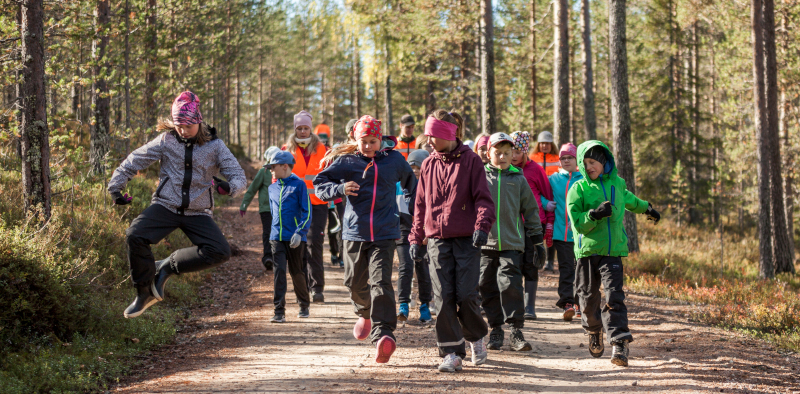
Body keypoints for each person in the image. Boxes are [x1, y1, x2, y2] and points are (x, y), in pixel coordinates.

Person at [108, 91, 246, 318]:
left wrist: (229, 188)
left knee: (220, 251)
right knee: (135, 234)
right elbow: (135, 159)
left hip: (198, 212)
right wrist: (116, 187)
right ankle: (144, 293)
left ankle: (168, 266)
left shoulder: (215, 146)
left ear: (198, 121)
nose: (182, 130)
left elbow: (239, 176)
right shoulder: (167, 140)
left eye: (187, 126)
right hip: (166, 206)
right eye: (178, 125)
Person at [314, 115, 416, 364]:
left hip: (385, 232)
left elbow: (412, 184)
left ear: (380, 140)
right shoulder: (346, 161)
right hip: (354, 232)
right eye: (364, 141)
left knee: (381, 282)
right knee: (353, 283)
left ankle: (384, 335)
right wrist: (339, 189)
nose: (369, 146)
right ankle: (364, 313)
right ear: (355, 140)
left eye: (373, 141)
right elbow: (320, 184)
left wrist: (410, 209)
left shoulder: (394, 160)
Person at [410, 109, 494, 373]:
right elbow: (420, 204)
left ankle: (477, 336)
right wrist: (416, 237)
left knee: (467, 295)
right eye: (428, 135)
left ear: (449, 133)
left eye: (433, 135)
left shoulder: (471, 162)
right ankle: (452, 352)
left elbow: (483, 198)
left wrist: (482, 226)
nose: (429, 141)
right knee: (443, 298)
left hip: (468, 240)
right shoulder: (428, 164)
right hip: (437, 240)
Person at [567, 140, 661, 367]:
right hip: (587, 252)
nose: (590, 167)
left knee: (614, 296)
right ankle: (594, 330)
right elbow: (577, 222)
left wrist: (647, 208)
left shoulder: (617, 184)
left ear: (604, 161)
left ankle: (619, 342)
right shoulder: (578, 189)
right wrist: (594, 215)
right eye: (585, 162)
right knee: (587, 298)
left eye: (594, 162)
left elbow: (631, 201)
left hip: (612, 252)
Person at [479, 133, 543, 352]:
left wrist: (538, 241)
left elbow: (531, 210)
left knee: (511, 285)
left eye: (508, 153)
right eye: (498, 153)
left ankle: (516, 331)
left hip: (512, 243)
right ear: (488, 154)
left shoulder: (519, 178)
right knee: (486, 286)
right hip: (484, 243)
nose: (503, 157)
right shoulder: (480, 177)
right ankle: (495, 329)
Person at [283, 110, 328, 303]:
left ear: (310, 128)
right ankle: (302, 288)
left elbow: (328, 173)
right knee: (298, 245)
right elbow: (278, 177)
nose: (302, 131)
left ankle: (317, 287)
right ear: (295, 129)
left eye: (305, 128)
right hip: (295, 205)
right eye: (299, 128)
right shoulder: (286, 149)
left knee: (314, 244)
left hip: (318, 204)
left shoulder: (322, 149)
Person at [509, 131, 554, 320]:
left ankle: (530, 306)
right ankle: (515, 305)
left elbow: (548, 196)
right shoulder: (504, 170)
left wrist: (549, 224)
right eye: (510, 150)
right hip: (510, 225)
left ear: (525, 151)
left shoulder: (535, 170)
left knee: (531, 263)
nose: (513, 155)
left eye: (517, 151)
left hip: (532, 225)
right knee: (513, 265)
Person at [266, 151, 312, 323]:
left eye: (273, 167)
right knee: (279, 272)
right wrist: (273, 232)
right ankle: (279, 311)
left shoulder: (299, 185)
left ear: (284, 166)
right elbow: (272, 212)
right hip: (276, 237)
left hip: (295, 238)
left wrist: (300, 233)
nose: (271, 170)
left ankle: (304, 304)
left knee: (296, 272)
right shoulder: (271, 188)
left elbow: (307, 212)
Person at [540, 143, 583, 321]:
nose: (566, 161)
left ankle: (580, 302)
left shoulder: (584, 179)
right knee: (566, 268)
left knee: (581, 270)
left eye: (569, 158)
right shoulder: (553, 179)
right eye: (563, 158)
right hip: (560, 233)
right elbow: (539, 194)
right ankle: (567, 303)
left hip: (581, 233)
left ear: (576, 159)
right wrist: (545, 204)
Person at [396, 149, 433, 323]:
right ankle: (403, 304)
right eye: (411, 167)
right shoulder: (399, 186)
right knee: (405, 267)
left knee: (423, 269)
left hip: (424, 234)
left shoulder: (431, 186)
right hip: (403, 232)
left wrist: (426, 233)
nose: (415, 170)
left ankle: (424, 305)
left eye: (419, 166)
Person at [240, 146, 281, 271]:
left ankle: (279, 257)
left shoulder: (284, 172)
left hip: (281, 209)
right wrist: (244, 205)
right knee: (268, 232)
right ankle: (268, 257)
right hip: (267, 208)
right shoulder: (263, 172)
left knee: (280, 233)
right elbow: (252, 189)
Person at [530, 131, 560, 271]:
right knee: (538, 227)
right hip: (536, 196)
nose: (544, 145)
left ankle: (550, 261)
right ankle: (537, 258)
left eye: (547, 143)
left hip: (553, 195)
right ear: (538, 144)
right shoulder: (531, 157)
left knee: (551, 228)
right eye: (542, 143)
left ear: (551, 144)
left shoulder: (558, 158)